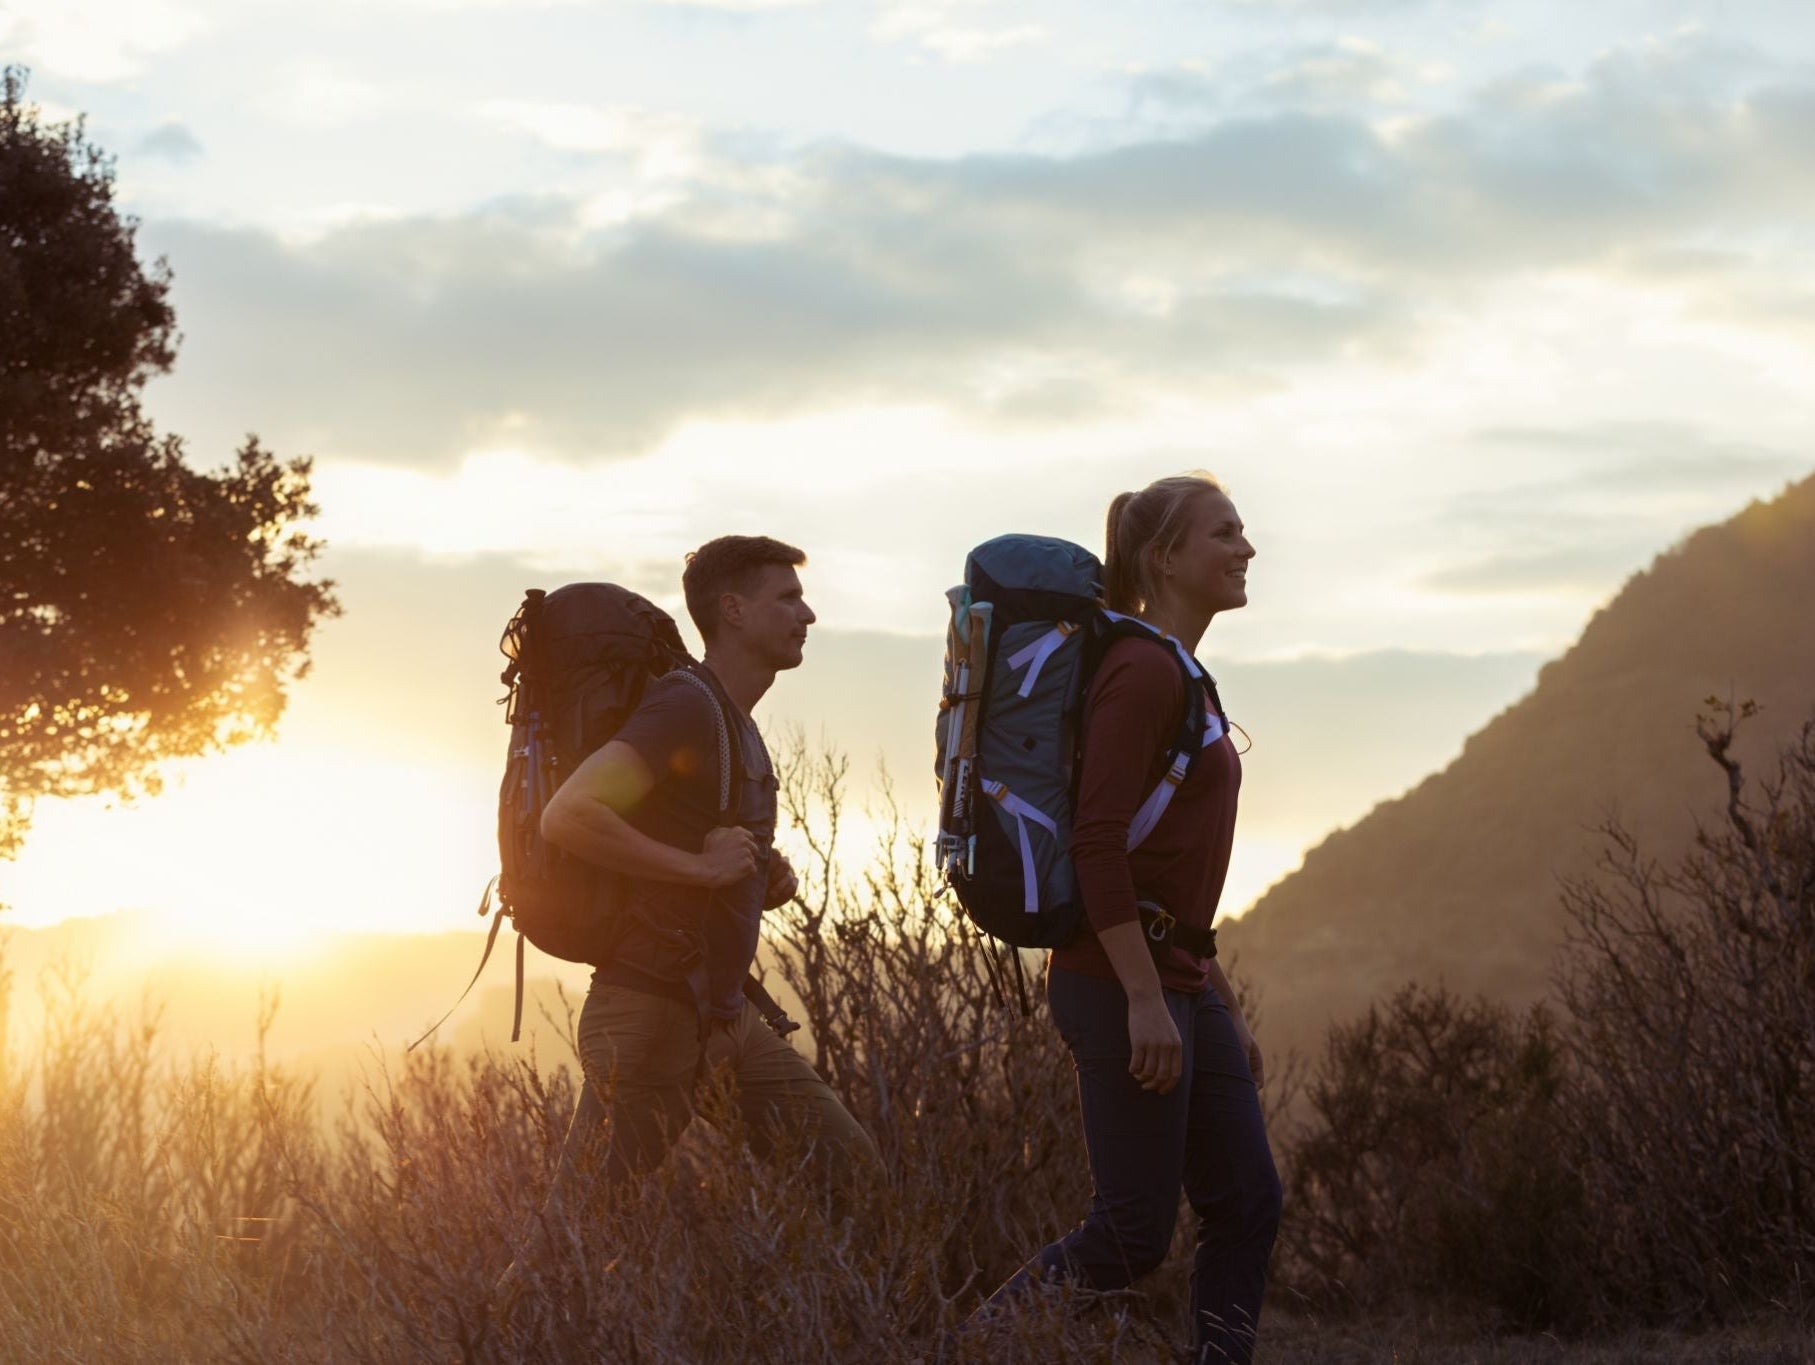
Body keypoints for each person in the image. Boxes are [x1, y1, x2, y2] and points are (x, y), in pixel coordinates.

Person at [983, 474, 1282, 1364]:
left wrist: (1213, 996)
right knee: (1129, 1234)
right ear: (1164, 558)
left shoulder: (1180, 671)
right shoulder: (1143, 670)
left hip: (1179, 980)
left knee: (1247, 1203)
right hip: (1115, 984)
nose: (1246, 548)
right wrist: (1146, 1001)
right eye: (1224, 532)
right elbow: (1099, 841)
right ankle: (961, 1346)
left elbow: (1172, 871)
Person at [526, 535, 877, 1245]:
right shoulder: (685, 706)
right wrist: (701, 870)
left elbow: (695, 844)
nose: (805, 614)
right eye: (787, 597)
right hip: (650, 1015)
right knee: (571, 1244)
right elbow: (571, 813)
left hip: (720, 1022)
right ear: (733, 610)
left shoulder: (735, 722)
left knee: (858, 1181)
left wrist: (756, 878)